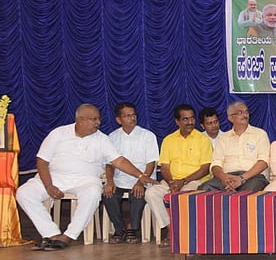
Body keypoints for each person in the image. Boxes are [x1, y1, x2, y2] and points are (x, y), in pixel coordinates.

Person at [16, 104, 157, 250]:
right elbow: (42, 161)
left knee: (93, 192)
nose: (98, 123)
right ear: (80, 120)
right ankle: (51, 234)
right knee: (24, 193)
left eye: (98, 119)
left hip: (85, 180)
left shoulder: (102, 139)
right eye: (93, 119)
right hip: (54, 177)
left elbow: (118, 161)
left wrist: (140, 176)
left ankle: (68, 236)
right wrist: (48, 185)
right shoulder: (58, 134)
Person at [144, 104, 213, 247]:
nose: (190, 122)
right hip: (172, 182)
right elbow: (165, 167)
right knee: (151, 193)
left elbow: (205, 169)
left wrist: (183, 181)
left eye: (192, 118)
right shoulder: (169, 140)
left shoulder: (203, 140)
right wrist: (171, 182)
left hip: (194, 181)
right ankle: (171, 230)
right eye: (185, 119)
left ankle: (187, 232)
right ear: (177, 122)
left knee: (189, 193)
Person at [101, 102, 160, 244]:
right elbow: (109, 164)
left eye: (134, 115)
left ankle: (133, 228)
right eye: (128, 116)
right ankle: (119, 228)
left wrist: (140, 181)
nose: (132, 118)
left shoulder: (147, 136)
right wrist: (110, 181)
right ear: (118, 120)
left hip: (143, 178)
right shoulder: (112, 137)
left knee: (138, 194)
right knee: (108, 195)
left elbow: (151, 163)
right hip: (119, 179)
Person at [200, 100, 269, 192]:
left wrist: (242, 178)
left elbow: (263, 162)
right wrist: (224, 177)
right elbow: (215, 164)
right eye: (240, 112)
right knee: (204, 189)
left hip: (252, 177)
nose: (245, 115)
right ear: (230, 118)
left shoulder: (260, 134)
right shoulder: (223, 138)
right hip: (227, 177)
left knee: (247, 193)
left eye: (246, 112)